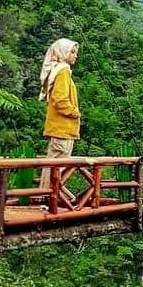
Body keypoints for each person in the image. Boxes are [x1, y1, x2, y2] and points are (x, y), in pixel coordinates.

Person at [39, 38, 80, 192]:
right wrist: (74, 112)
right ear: (63, 53)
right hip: (62, 130)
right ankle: (47, 198)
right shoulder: (62, 72)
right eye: (72, 52)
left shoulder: (60, 71)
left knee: (54, 168)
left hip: (62, 129)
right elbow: (60, 99)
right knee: (55, 169)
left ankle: (48, 198)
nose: (75, 56)